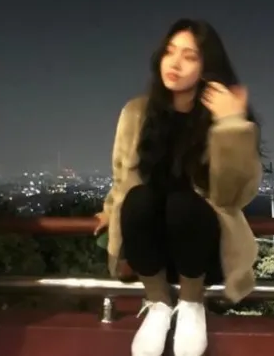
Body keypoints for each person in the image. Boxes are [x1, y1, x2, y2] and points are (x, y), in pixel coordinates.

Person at [95, 18, 263, 356]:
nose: (175, 63)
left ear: (206, 67)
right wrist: (111, 210)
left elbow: (233, 198)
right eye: (170, 52)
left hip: (202, 251)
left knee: (183, 203)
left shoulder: (221, 115)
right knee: (139, 199)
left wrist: (231, 124)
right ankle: (157, 303)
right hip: (152, 252)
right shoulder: (136, 112)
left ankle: (191, 304)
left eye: (189, 56)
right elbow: (122, 177)